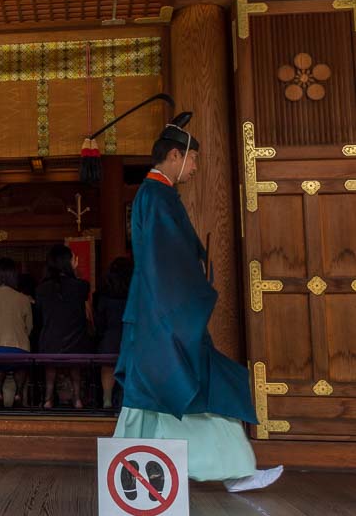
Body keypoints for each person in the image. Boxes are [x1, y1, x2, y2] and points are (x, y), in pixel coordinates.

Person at [113, 116, 283, 492]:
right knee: (185, 388)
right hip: (165, 314)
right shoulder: (157, 196)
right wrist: (196, 289)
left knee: (170, 392)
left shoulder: (154, 194)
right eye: (193, 160)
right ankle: (131, 473)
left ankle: (133, 472)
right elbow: (167, 261)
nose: (195, 169)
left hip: (159, 313)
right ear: (175, 155)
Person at [36, 244, 92, 409]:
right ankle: (77, 398)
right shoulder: (81, 286)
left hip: (50, 341)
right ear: (69, 262)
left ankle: (48, 398)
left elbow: (39, 317)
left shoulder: (41, 289)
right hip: (77, 341)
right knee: (75, 364)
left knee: (50, 365)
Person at [0, 258, 33, 407]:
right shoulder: (23, 299)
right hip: (18, 347)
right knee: (20, 363)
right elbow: (29, 326)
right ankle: (19, 394)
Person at [94, 256, 133, 409]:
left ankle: (107, 398)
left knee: (107, 367)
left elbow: (99, 323)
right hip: (130, 337)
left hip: (110, 337)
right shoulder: (134, 297)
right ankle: (127, 399)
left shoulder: (103, 296)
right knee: (130, 368)